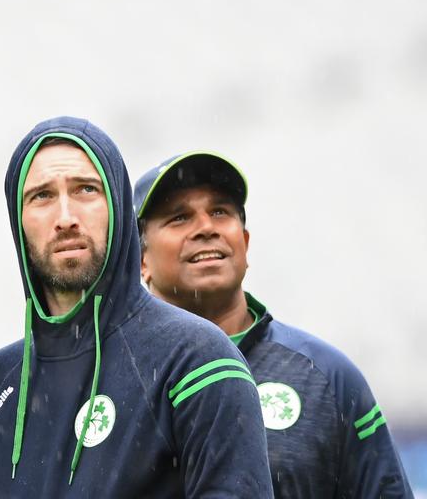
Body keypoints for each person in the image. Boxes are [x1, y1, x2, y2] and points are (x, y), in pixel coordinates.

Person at [0, 117, 272, 497]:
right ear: (18, 221)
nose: (66, 218)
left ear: (116, 204)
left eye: (85, 189)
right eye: (42, 196)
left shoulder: (196, 358)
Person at [135, 150, 411, 497]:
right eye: (179, 217)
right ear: (140, 259)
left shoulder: (328, 377)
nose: (206, 228)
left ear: (245, 244)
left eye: (220, 212)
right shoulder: (111, 381)